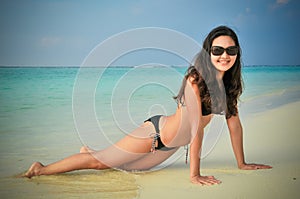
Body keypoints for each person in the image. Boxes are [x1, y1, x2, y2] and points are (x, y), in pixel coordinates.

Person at [24, 26, 272, 185]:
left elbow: (235, 125)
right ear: (208, 52)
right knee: (100, 164)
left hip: (169, 147)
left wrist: (242, 163)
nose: (224, 55)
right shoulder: (195, 80)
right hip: (154, 134)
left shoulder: (229, 85)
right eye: (218, 49)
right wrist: (194, 175)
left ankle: (88, 152)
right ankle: (40, 169)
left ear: (238, 53)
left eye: (231, 50)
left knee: (121, 169)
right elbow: (196, 129)